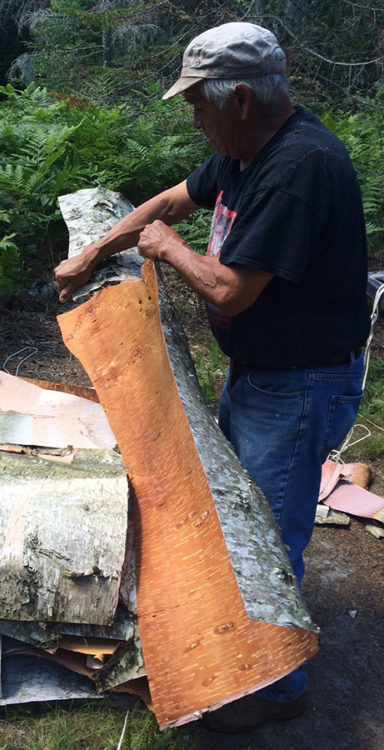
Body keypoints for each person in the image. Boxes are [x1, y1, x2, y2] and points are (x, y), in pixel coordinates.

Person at [54, 21, 371, 733]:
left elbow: (229, 291)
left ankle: (277, 686)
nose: (193, 119)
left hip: (298, 382)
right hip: (263, 374)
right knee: (241, 518)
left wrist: (165, 250)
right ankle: (239, 645)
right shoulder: (244, 150)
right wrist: (94, 252)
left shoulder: (298, 169)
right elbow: (168, 203)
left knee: (268, 529)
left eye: (198, 104)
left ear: (240, 99)